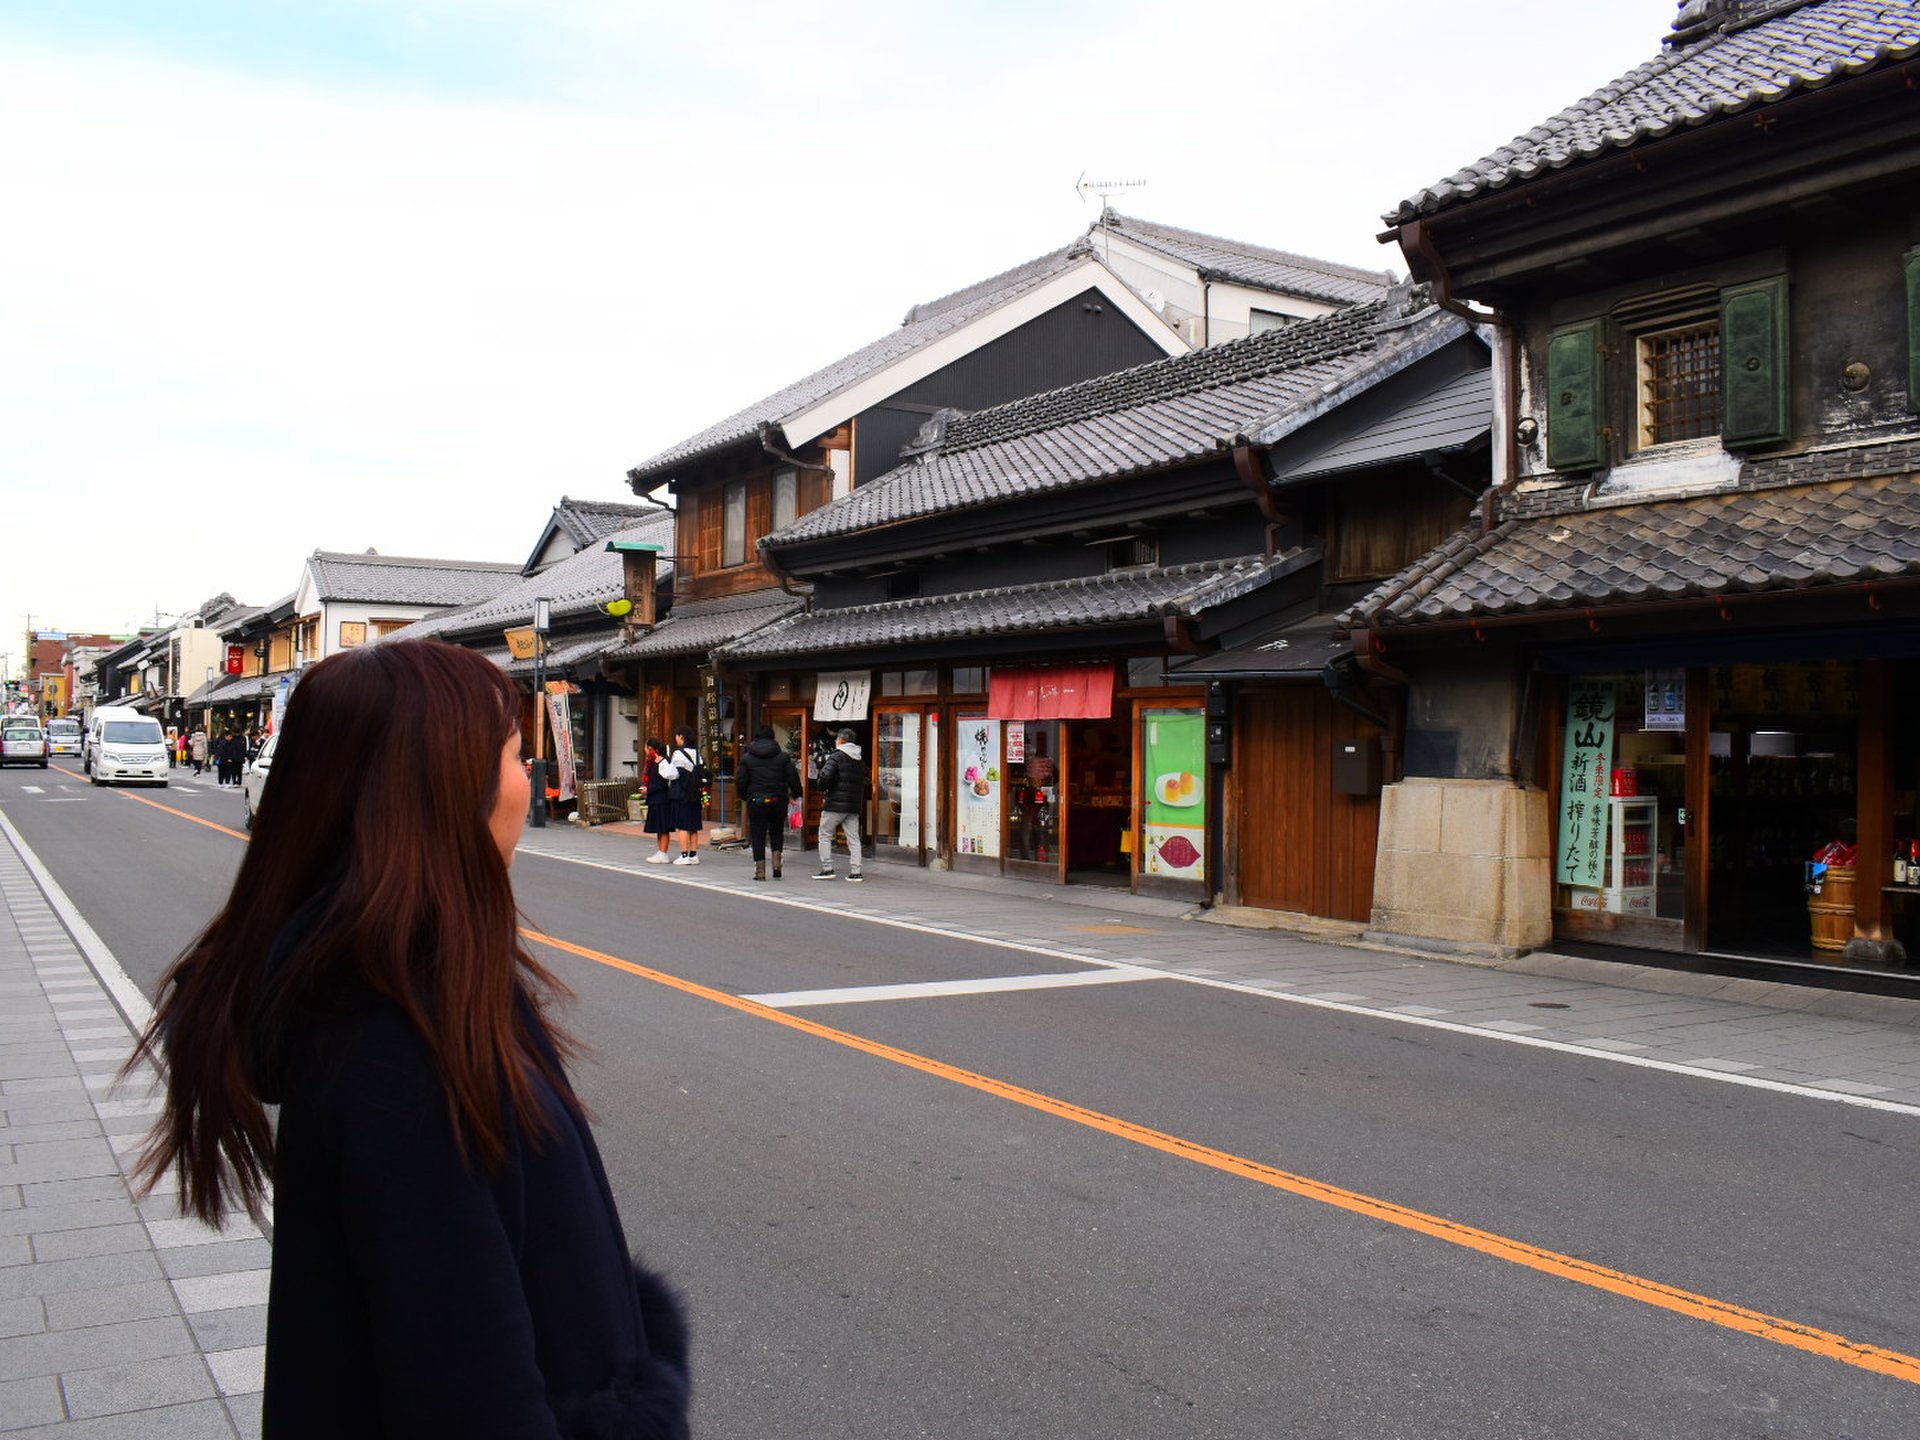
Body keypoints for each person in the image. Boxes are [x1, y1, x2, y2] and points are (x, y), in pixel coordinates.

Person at [129, 641, 692, 1438]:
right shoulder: (402, 1044)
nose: (525, 785)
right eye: (514, 757)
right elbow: (467, 1389)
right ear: (439, 794)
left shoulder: (414, 992)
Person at [734, 725, 802, 882]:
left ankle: (760, 871)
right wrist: (796, 793)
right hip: (778, 799)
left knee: (757, 834)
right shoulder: (783, 757)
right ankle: (777, 866)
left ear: (756, 738)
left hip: (756, 800)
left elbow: (741, 780)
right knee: (776, 831)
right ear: (773, 738)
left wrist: (746, 796)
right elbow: (793, 778)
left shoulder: (747, 758)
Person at [812, 727, 867, 883]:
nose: (836, 741)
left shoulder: (836, 756)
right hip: (853, 805)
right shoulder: (859, 759)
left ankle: (827, 868)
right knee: (854, 838)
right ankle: (856, 872)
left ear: (841, 740)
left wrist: (821, 788)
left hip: (835, 803)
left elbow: (826, 775)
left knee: (824, 834)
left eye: (837, 739)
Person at [657, 726, 706, 866]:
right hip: (695, 793)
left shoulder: (678, 754)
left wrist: (662, 764)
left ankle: (684, 855)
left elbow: (672, 774)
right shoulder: (698, 754)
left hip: (681, 793)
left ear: (682, 737)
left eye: (677, 736)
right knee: (693, 826)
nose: (676, 739)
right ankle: (693, 855)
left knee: (683, 826)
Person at [640, 737, 675, 865]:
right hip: (656, 799)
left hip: (662, 799)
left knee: (663, 827)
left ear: (650, 748)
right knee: (659, 827)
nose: (645, 750)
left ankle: (663, 853)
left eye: (646, 747)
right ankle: (660, 851)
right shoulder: (653, 761)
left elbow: (662, 783)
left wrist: (648, 789)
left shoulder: (661, 761)